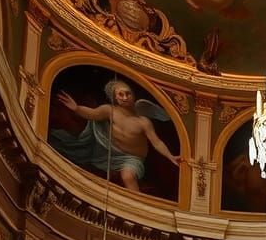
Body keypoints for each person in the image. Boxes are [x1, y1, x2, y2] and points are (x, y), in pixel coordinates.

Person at [51, 80, 181, 191]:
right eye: (121, 94)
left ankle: (136, 204)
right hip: (110, 153)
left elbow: (157, 142)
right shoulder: (110, 110)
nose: (125, 97)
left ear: (133, 96)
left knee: (127, 176)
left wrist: (170, 156)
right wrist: (76, 108)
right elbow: (92, 114)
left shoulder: (143, 121)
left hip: (132, 158)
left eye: (128, 94)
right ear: (115, 97)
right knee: (83, 158)